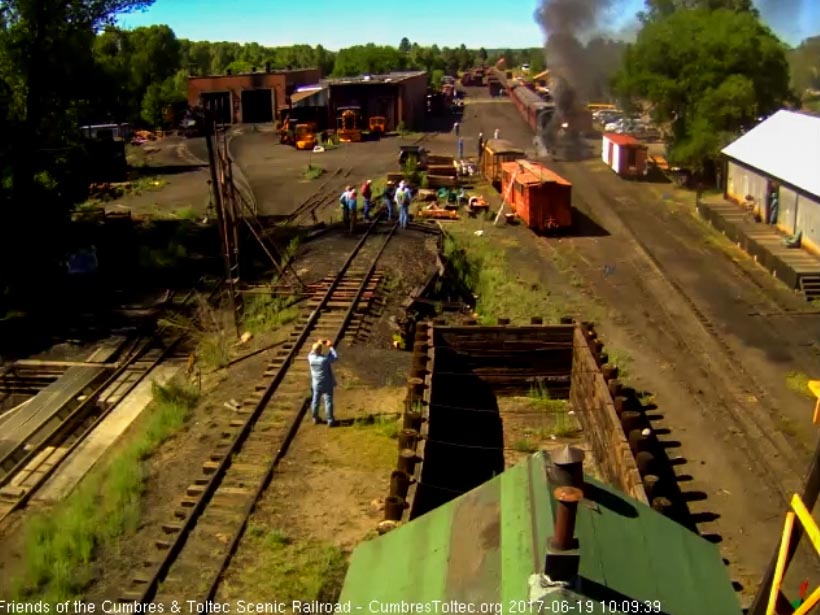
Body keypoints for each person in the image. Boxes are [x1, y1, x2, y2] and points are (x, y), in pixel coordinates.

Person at [308, 339, 338, 426]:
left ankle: (315, 418)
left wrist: (318, 343)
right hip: (326, 383)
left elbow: (312, 352)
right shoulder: (324, 360)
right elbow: (335, 357)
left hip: (316, 384)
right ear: (320, 350)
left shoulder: (310, 358)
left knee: (315, 401)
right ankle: (330, 420)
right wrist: (330, 346)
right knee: (328, 401)